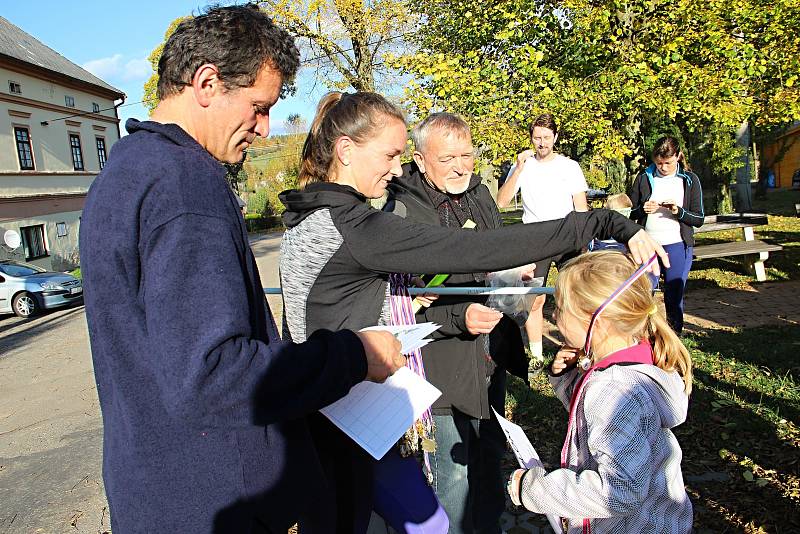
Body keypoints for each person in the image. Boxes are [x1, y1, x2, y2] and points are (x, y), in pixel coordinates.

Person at [278, 91, 668, 533]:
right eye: (389, 155)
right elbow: (479, 250)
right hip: (346, 422)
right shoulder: (352, 226)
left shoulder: (314, 218)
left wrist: (400, 303)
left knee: (426, 523)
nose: (394, 168)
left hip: (339, 409)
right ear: (346, 151)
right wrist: (600, 221)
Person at [79, 7, 404, 533]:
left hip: (156, 490)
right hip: (212, 498)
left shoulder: (124, 170)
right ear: (207, 82)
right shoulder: (185, 184)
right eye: (258, 107)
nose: (264, 128)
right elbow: (214, 375)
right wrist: (354, 354)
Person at [385, 112, 528, 533]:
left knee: (488, 458)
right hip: (442, 362)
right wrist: (457, 316)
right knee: (454, 471)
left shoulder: (482, 195)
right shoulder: (403, 210)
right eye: (447, 158)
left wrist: (509, 276)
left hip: (489, 355)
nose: (461, 167)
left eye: (467, 155)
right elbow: (399, 305)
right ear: (420, 158)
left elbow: (497, 254)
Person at [507, 251, 693, 533]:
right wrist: (569, 376)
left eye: (560, 308)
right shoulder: (638, 361)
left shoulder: (614, 388)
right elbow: (594, 419)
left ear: (597, 321)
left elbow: (619, 491)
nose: (553, 315)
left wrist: (533, 488)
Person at [496, 113, 589, 369]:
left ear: (556, 137)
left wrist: (582, 241)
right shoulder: (523, 166)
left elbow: (581, 207)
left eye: (547, 137)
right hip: (535, 238)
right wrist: (518, 169)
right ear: (531, 138)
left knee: (576, 295)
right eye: (537, 137)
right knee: (535, 298)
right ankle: (536, 356)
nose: (542, 143)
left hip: (567, 236)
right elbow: (501, 202)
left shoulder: (569, 167)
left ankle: (579, 349)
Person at [629, 136, 704, 333]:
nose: (663, 167)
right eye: (659, 163)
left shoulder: (689, 180)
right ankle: (645, 334)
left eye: (668, 163)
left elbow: (699, 218)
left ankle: (674, 335)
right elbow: (629, 212)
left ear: (678, 157)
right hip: (648, 245)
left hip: (677, 244)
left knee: (674, 293)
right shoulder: (644, 177)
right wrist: (642, 209)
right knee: (644, 291)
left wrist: (678, 211)